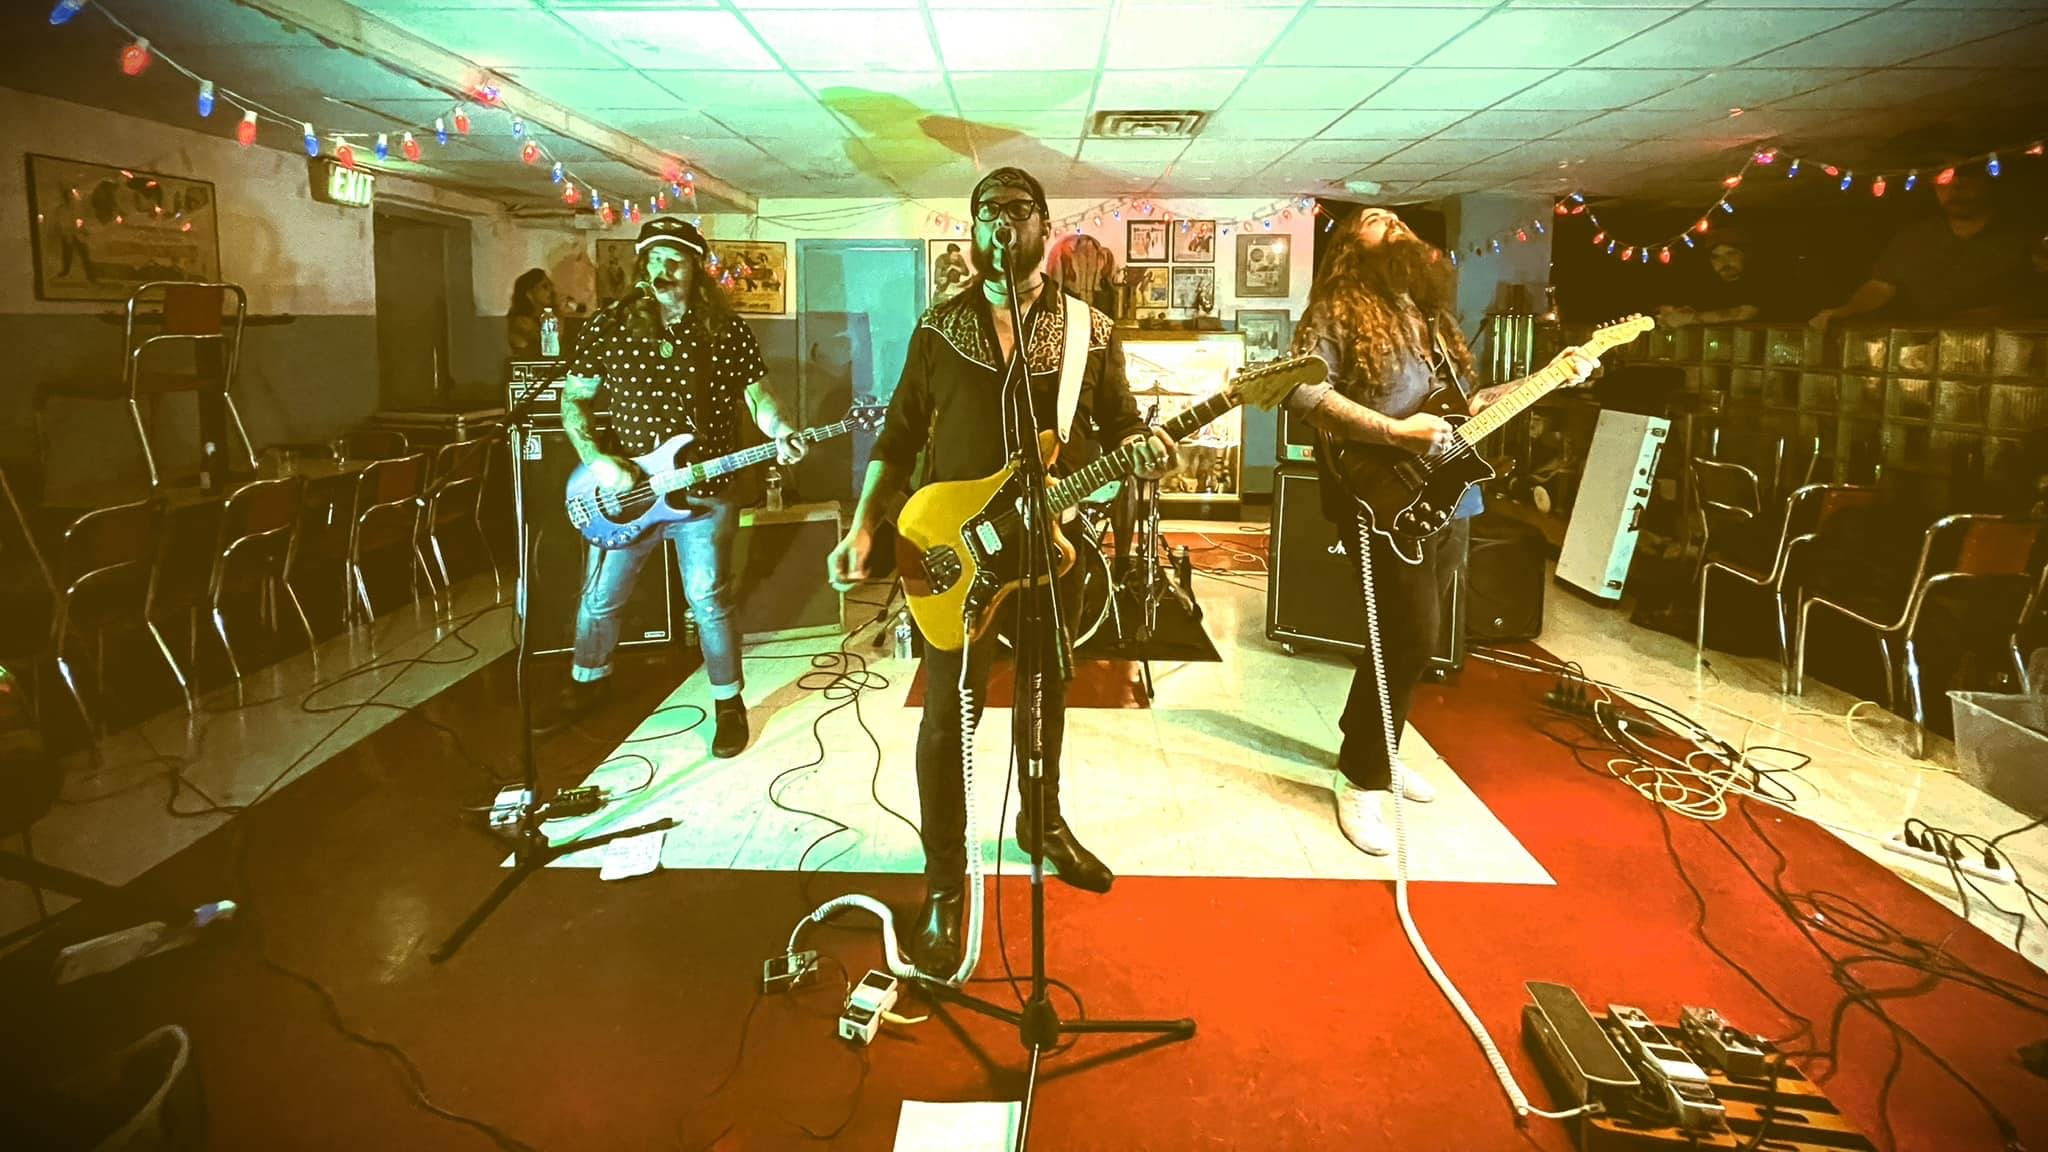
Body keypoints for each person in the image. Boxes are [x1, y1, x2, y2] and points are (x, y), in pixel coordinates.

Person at [825, 167, 1177, 976]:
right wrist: (864, 525)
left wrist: (1145, 452)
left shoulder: (1090, 329)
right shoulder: (938, 326)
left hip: (1053, 549)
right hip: (956, 554)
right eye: (985, 212)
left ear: (1043, 227)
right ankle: (945, 884)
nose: (998, 224)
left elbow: (1122, 424)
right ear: (974, 229)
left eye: (1016, 212)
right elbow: (898, 438)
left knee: (1046, 694)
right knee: (948, 721)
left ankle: (1041, 824)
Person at [1284, 208, 1595, 856]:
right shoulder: (1336, 310)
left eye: (1398, 220)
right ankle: (1361, 779)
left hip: (1453, 498)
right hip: (1383, 496)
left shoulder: (1431, 318)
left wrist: (1546, 377)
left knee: (1406, 642)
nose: (1392, 223)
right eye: (1374, 221)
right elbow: (1303, 394)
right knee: (1410, 637)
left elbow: (1469, 407)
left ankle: (1372, 742)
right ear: (1350, 247)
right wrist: (1395, 432)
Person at [555, 217, 808, 756]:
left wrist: (780, 428)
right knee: (600, 598)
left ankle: (728, 703)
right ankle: (587, 681)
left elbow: (758, 397)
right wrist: (597, 460)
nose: (662, 269)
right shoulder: (608, 326)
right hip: (627, 496)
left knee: (709, 598)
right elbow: (573, 398)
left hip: (705, 490)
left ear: (697, 268)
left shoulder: (725, 331)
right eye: (653, 259)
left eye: (674, 260)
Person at [1811, 162, 2034, 329]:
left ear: (1986, 182)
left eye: (1966, 180)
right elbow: (1881, 285)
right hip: (1933, 344)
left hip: (2010, 343)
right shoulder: (1917, 237)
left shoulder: (2022, 235)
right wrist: (1846, 311)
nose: (1956, 189)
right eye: (1944, 183)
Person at [1657, 231, 1777, 328]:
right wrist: (1676, 314)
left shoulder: (1761, 280)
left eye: (1731, 253)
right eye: (1715, 257)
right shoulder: (1710, 287)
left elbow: (1746, 313)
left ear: (1746, 255)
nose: (1724, 262)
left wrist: (1689, 319)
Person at [506, 268, 557, 360]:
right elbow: (551, 346)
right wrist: (560, 314)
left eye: (551, 285)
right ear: (529, 294)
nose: (551, 290)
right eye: (545, 286)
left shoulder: (546, 316)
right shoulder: (521, 322)